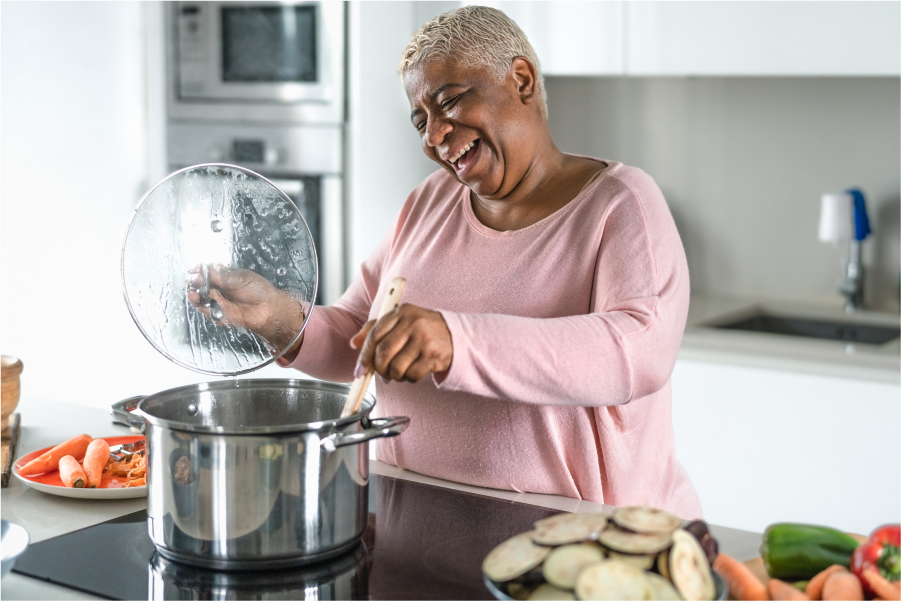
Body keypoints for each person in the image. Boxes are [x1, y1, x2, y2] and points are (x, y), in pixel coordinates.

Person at [194, 6, 702, 518]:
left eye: (450, 102)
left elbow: (637, 351)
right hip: (412, 521)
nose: (435, 137)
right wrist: (279, 318)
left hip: (578, 543)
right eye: (422, 121)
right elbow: (358, 337)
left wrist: (456, 342)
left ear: (520, 80)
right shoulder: (429, 202)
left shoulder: (619, 202)